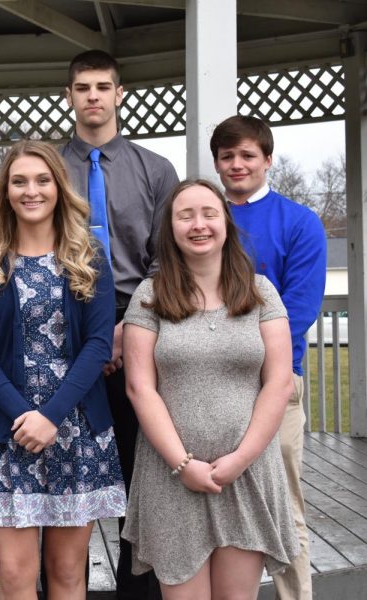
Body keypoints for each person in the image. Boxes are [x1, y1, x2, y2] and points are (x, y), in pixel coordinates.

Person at [0, 140, 126, 598]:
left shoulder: (88, 256)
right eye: (19, 181)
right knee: (13, 575)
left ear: (58, 187)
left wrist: (50, 415)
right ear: (5, 192)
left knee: (68, 573)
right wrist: (23, 416)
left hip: (75, 427)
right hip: (4, 430)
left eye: (41, 180)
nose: (31, 191)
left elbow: (97, 343)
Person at [121, 179, 300, 598]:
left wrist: (240, 459)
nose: (198, 224)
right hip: (172, 478)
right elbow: (139, 387)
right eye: (186, 216)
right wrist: (184, 465)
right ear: (171, 229)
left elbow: (278, 382)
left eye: (208, 213)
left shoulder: (261, 293)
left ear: (226, 223)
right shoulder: (149, 296)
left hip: (247, 474)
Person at [59, 49, 179, 599]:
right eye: (82, 88)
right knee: (66, 484)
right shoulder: (48, 169)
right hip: (61, 338)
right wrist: (90, 331)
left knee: (141, 481)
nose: (93, 97)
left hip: (141, 334)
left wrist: (126, 327)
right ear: (69, 97)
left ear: (118, 94)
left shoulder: (156, 170)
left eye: (102, 87)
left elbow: (163, 262)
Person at [211, 115, 326, 600]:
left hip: (273, 384)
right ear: (216, 163)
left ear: (267, 160)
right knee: (213, 504)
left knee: (284, 506)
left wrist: (242, 354)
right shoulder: (202, 216)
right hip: (205, 386)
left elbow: (298, 310)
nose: (237, 165)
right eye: (227, 156)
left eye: (247, 155)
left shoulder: (298, 222)